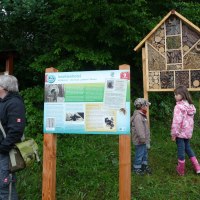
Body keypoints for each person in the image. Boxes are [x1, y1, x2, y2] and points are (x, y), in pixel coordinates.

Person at [0, 75, 26, 199]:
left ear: (4, 87)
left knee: (5, 186)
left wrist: (3, 148)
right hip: (2, 151)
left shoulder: (14, 103)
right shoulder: (3, 102)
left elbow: (16, 131)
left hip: (6, 153)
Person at [171, 85, 200, 176]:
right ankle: (197, 167)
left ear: (182, 95)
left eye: (176, 94)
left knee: (181, 150)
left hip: (180, 133)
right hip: (187, 132)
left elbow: (177, 121)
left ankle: (181, 170)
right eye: (174, 94)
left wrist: (174, 134)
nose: (175, 96)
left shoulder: (179, 107)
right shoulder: (190, 106)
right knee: (187, 148)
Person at [131, 98, 151, 175]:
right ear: (141, 106)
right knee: (139, 154)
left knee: (144, 153)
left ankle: (144, 166)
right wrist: (143, 139)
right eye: (146, 105)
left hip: (143, 140)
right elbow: (139, 129)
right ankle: (137, 168)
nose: (147, 107)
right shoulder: (138, 116)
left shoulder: (142, 114)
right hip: (140, 140)